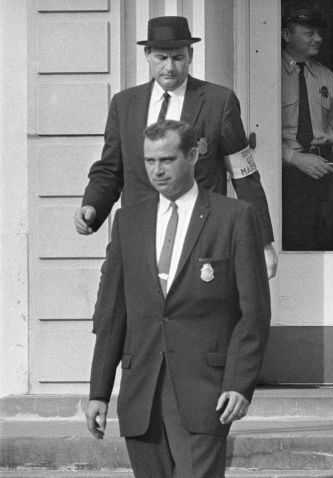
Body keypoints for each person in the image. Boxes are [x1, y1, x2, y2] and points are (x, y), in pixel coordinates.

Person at [85, 120, 271, 477]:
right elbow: (112, 314)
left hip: (206, 390)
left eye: (167, 160)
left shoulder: (234, 217)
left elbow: (255, 313)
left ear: (193, 154)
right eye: (150, 161)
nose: (157, 170)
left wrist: (239, 383)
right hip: (142, 390)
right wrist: (99, 391)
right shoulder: (128, 221)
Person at [73, 16, 278, 279]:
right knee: (114, 316)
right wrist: (92, 206)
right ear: (147, 55)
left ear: (190, 55)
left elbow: (244, 175)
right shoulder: (125, 104)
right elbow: (111, 170)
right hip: (138, 237)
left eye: (178, 58)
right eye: (161, 57)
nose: (169, 67)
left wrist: (263, 242)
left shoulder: (219, 102)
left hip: (200, 239)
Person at [281, 5, 333, 250]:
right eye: (309, 33)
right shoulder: (269, 74)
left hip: (320, 172)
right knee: (292, 242)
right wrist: (294, 158)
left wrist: (330, 141)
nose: (318, 38)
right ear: (287, 35)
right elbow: (257, 133)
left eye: (319, 32)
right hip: (285, 174)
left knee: (323, 241)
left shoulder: (327, 77)